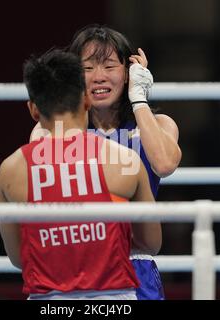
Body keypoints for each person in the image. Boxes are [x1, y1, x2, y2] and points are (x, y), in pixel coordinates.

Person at [0, 49, 161, 300]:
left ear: (33, 110)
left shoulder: (10, 171)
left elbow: (19, 258)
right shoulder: (125, 161)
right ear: (86, 101)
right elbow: (150, 243)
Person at [68, 25, 182, 300]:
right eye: (87, 68)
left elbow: (165, 164)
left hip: (135, 263)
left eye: (109, 66)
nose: (98, 77)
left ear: (128, 73)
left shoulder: (160, 125)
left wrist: (139, 98)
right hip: (76, 264)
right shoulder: (58, 131)